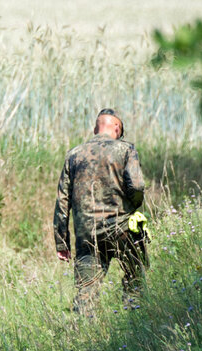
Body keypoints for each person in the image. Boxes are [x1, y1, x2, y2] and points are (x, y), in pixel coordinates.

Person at [53, 109, 148, 316]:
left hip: (87, 235)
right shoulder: (126, 149)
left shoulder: (73, 154)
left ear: (96, 127)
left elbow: (62, 201)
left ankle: (84, 338)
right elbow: (138, 187)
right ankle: (136, 324)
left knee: (86, 292)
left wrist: (62, 242)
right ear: (116, 128)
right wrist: (134, 207)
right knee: (136, 277)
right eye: (120, 132)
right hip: (122, 229)